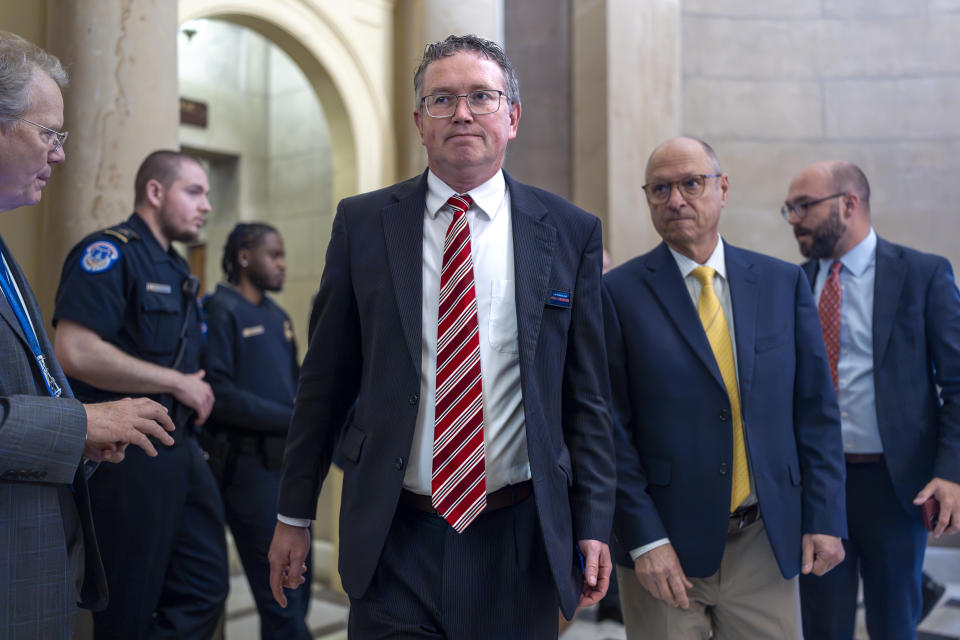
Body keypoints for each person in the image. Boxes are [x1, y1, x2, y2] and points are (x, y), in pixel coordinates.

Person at [268, 34, 615, 638]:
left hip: (518, 538)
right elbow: (322, 384)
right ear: (419, 122)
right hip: (393, 535)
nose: (462, 113)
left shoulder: (568, 231)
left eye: (482, 96)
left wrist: (593, 522)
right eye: (442, 99)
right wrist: (293, 513)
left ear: (512, 117)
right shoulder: (365, 224)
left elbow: (586, 397)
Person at [602, 136, 847, 639]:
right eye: (661, 189)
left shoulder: (781, 284)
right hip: (664, 551)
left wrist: (825, 515)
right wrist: (644, 540)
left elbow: (816, 412)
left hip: (764, 539)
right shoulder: (615, 295)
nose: (676, 200)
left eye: (692, 183)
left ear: (723, 188)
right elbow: (609, 432)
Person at [0, 31, 176, 638]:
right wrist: (81, 423)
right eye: (48, 133)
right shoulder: (108, 253)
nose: (60, 155)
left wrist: (77, 438)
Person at [52, 150, 228, 639]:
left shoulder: (175, 268)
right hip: (129, 454)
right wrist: (176, 382)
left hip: (181, 449)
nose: (206, 205)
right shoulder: (111, 253)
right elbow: (75, 349)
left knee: (206, 586)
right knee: (129, 603)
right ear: (155, 192)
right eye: (194, 191)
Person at [783, 160, 960, 638]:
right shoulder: (791, 284)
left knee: (894, 622)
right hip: (818, 487)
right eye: (789, 208)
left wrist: (950, 472)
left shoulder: (922, 275)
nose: (794, 218)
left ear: (849, 203)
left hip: (896, 485)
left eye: (804, 206)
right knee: (823, 625)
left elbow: (958, 382)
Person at [201, 222, 311, 639]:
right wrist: (292, 416)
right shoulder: (220, 308)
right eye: (275, 255)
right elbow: (219, 394)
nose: (283, 265)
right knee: (281, 599)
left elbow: (298, 385)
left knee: (297, 592)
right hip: (247, 471)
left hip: (288, 469)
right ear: (245, 257)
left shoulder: (278, 317)